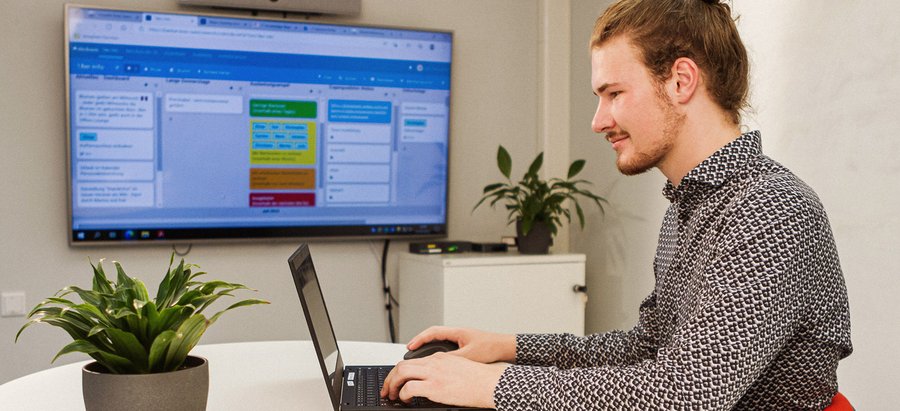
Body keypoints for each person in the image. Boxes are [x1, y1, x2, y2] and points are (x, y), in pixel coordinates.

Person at [381, 0, 853, 409]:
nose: (598, 120)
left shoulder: (772, 208)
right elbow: (648, 347)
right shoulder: (691, 204)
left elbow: (687, 393)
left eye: (614, 93)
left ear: (681, 81)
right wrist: (508, 347)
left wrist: (493, 385)